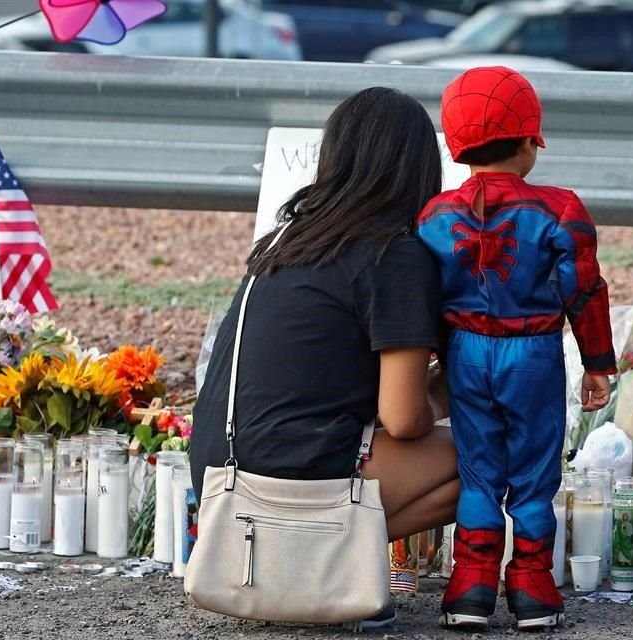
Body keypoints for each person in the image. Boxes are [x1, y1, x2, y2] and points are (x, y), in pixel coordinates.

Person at [190, 87, 459, 631]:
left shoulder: (286, 239)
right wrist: (448, 388)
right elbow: (403, 418)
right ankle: (326, 571)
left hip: (219, 470)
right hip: (290, 472)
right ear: (419, 168)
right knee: (494, 461)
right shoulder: (394, 253)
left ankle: (302, 567)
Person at [416, 67, 616, 631]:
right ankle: (532, 588)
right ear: (530, 142)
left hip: (464, 355)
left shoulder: (433, 217)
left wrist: (435, 353)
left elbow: (421, 296)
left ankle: (470, 588)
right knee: (534, 475)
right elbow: (584, 290)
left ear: (457, 146)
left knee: (478, 473)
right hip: (533, 354)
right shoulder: (560, 210)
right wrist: (598, 364)